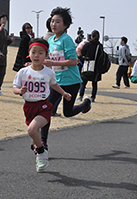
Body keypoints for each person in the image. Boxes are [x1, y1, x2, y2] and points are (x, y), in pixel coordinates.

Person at [13, 38, 71, 172]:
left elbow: (53, 84)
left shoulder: (48, 72)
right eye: (34, 52)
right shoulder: (23, 72)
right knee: (34, 135)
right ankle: (38, 148)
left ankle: (41, 153)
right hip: (29, 107)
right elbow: (15, 87)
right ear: (29, 53)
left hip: (44, 106)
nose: (36, 55)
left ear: (46, 55)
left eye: (40, 53)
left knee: (32, 130)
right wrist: (19, 91)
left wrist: (64, 93)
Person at [41, 7, 92, 150]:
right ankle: (43, 142)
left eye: (58, 22)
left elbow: (73, 61)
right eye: (52, 21)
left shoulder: (67, 40)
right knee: (47, 110)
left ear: (65, 25)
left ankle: (85, 104)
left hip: (71, 82)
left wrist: (53, 63)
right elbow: (49, 58)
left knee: (67, 112)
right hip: (56, 82)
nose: (54, 24)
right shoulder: (51, 40)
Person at [77, 30, 102, 102]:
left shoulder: (87, 44)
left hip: (87, 66)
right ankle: (93, 97)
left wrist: (82, 59)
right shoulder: (100, 46)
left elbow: (82, 54)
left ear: (91, 36)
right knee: (94, 83)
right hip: (96, 68)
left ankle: (80, 96)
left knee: (83, 82)